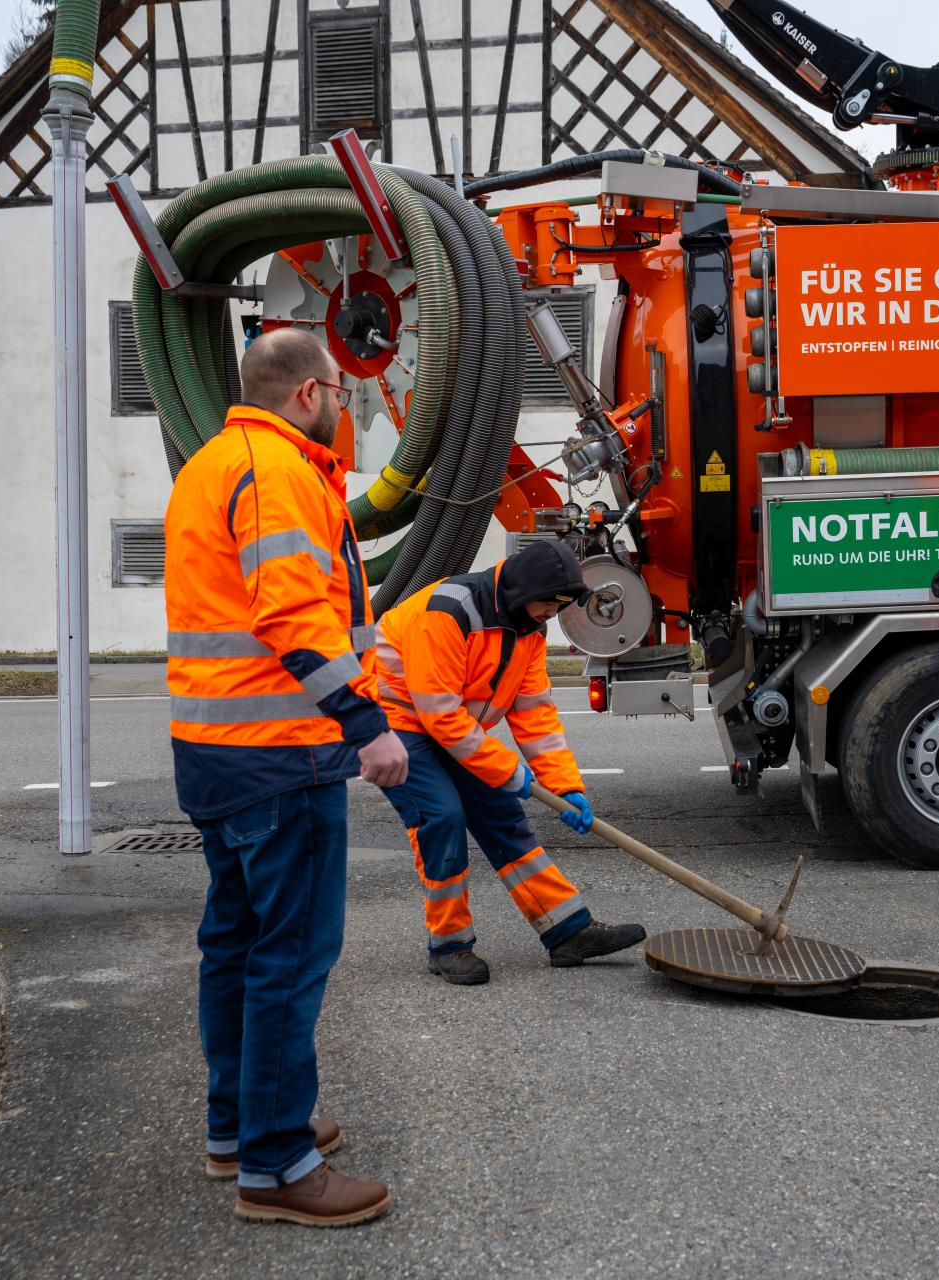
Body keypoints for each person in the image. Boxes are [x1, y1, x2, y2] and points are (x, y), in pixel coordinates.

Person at [164, 327, 406, 1227]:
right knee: (290, 957)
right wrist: (367, 724)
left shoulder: (211, 463)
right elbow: (295, 614)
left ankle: (240, 1127)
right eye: (342, 390)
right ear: (307, 393)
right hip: (280, 752)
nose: (349, 407)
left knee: (235, 943)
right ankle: (276, 1165)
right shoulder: (282, 473)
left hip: (217, 751)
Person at [373, 540, 645, 985]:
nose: (550, 618)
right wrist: (506, 770)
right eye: (548, 606)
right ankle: (449, 945)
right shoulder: (447, 613)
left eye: (559, 610)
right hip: (396, 723)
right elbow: (437, 711)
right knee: (441, 817)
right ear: (521, 591)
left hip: (452, 725)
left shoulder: (528, 630)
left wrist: (564, 786)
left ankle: (567, 931)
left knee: (502, 815)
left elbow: (534, 712)